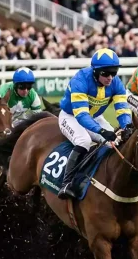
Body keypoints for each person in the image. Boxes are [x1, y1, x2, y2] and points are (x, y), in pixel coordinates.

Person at [57, 48, 133, 200]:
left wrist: (127, 126)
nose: (110, 78)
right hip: (71, 116)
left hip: (95, 117)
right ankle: (66, 184)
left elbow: (122, 109)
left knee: (116, 142)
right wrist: (101, 131)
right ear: (95, 72)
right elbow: (81, 115)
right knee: (83, 141)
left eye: (114, 73)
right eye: (105, 73)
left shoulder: (116, 83)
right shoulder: (80, 80)